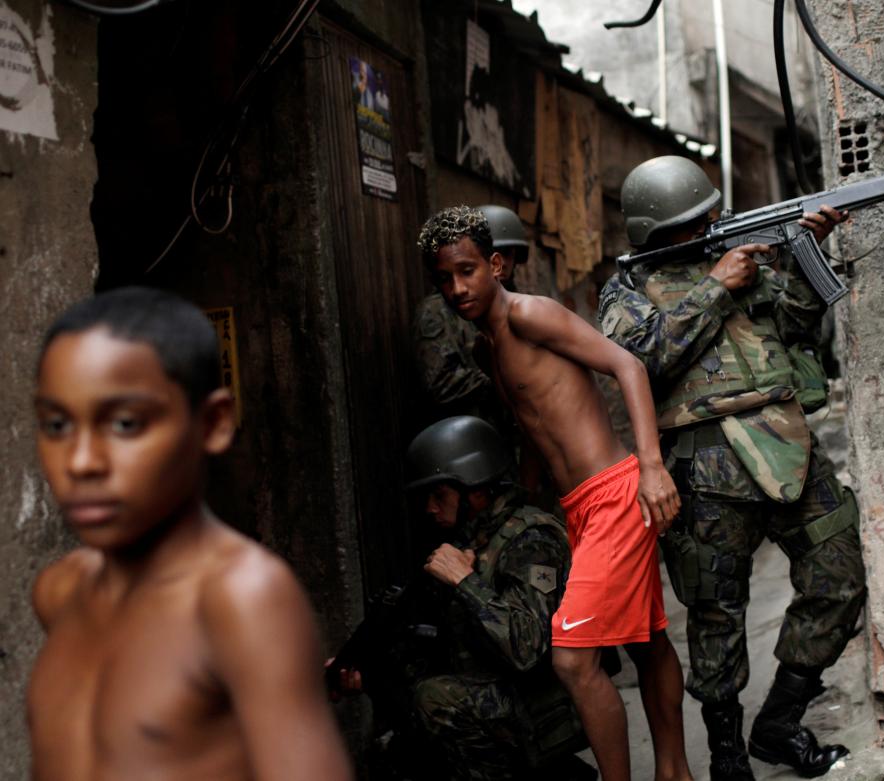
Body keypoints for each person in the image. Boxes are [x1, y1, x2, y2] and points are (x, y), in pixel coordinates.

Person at [599, 156, 867, 780]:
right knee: (717, 615)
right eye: (695, 222)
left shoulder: (747, 265)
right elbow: (644, 358)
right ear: (657, 233)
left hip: (786, 441)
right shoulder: (626, 291)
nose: (711, 225)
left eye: (709, 216)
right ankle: (726, 756)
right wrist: (717, 284)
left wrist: (805, 252)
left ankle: (778, 723)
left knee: (839, 576)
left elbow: (797, 323)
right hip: (703, 467)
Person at [27, 287, 352, 781]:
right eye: (56, 424)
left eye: (125, 422)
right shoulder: (60, 592)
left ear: (214, 423)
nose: (81, 461)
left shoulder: (240, 599)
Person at [416, 206, 693, 781]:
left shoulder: (528, 315)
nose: (457, 287)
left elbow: (628, 367)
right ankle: (675, 771)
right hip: (579, 508)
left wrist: (651, 467)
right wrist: (524, 507)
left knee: (572, 658)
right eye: (444, 279)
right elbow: (538, 436)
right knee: (645, 639)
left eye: (466, 270)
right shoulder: (489, 348)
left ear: (496, 264)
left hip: (615, 493)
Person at [329, 416, 595, 780]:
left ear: (477, 490)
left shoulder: (531, 540)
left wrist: (464, 581)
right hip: (507, 696)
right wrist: (368, 671)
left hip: (550, 703)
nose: (430, 509)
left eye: (439, 496)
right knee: (403, 711)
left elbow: (527, 649)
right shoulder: (471, 538)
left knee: (435, 698)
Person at [415, 204, 529, 417]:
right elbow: (441, 385)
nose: (502, 262)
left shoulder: (522, 304)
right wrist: (508, 376)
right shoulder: (440, 308)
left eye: (508, 253)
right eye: (496, 252)